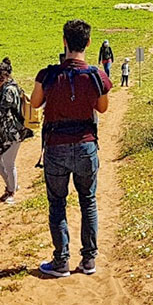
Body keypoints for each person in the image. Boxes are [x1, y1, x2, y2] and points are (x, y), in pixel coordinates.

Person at [31, 19, 111, 277]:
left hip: (56, 146)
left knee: (57, 203)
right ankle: (88, 260)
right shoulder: (97, 76)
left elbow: (35, 103)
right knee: (88, 201)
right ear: (88, 42)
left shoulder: (49, 75)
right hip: (86, 144)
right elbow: (102, 107)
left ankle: (61, 260)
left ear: (64, 41)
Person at [0, 57, 25, 204]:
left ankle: (11, 191)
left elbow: (1, 110)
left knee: (9, 162)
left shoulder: (10, 90)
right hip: (1, 131)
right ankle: (11, 184)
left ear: (7, 77)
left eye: (0, 78)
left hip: (13, 132)